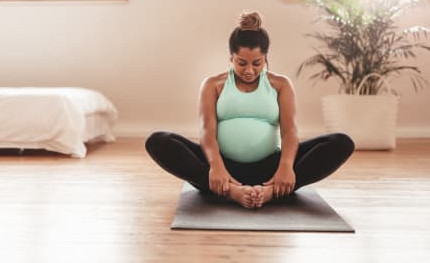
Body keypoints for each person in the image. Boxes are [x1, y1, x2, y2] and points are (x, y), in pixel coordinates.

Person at [145, 11, 355, 209]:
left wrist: (286, 167)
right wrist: (216, 167)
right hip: (222, 168)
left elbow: (290, 132)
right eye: (241, 63)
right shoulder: (213, 85)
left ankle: (272, 191)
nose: (249, 70)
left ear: (265, 58)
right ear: (231, 58)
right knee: (158, 141)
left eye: (257, 63)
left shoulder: (280, 84)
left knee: (341, 143)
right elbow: (207, 132)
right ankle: (232, 191)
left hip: (270, 168)